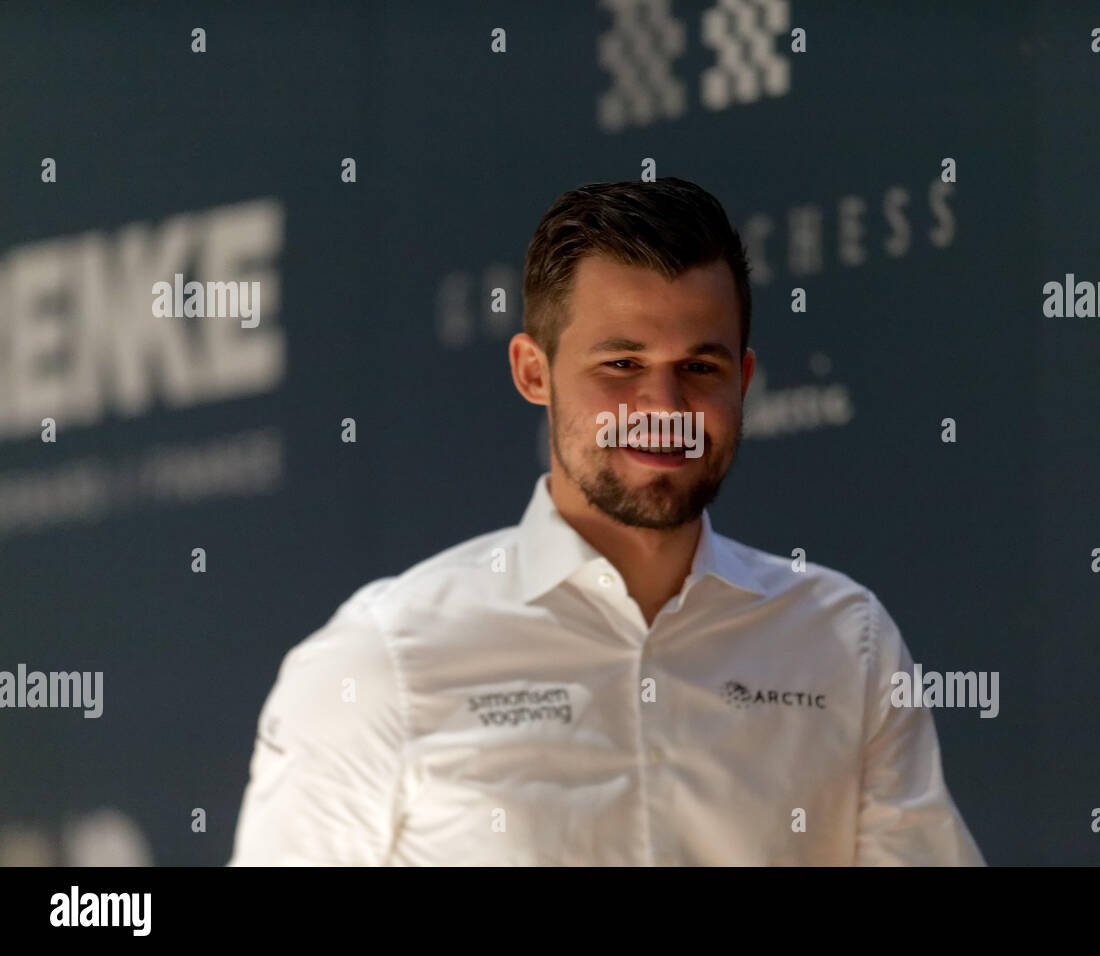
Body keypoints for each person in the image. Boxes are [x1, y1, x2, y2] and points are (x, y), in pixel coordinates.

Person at [229, 177, 984, 866]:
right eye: (621, 366)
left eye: (700, 367)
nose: (664, 409)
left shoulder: (841, 642)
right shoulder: (381, 659)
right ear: (534, 372)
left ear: (744, 381)